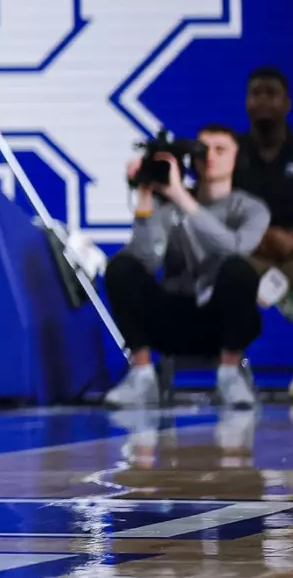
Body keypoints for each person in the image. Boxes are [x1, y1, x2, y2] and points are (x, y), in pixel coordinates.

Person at [103, 124, 269, 410]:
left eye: (221, 150)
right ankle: (141, 376)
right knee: (122, 266)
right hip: (172, 318)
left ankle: (229, 376)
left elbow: (234, 247)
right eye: (203, 151)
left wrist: (183, 198)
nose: (211, 158)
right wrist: (146, 197)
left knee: (240, 271)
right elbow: (145, 260)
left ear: (236, 157)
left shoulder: (251, 209)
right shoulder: (167, 204)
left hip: (221, 321)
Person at [232, 66, 293, 395]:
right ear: (246, 102)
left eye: (270, 93)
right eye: (255, 93)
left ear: (287, 103)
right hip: (249, 251)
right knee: (222, 273)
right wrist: (261, 238)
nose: (262, 101)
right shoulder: (231, 153)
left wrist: (292, 239)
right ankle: (230, 371)